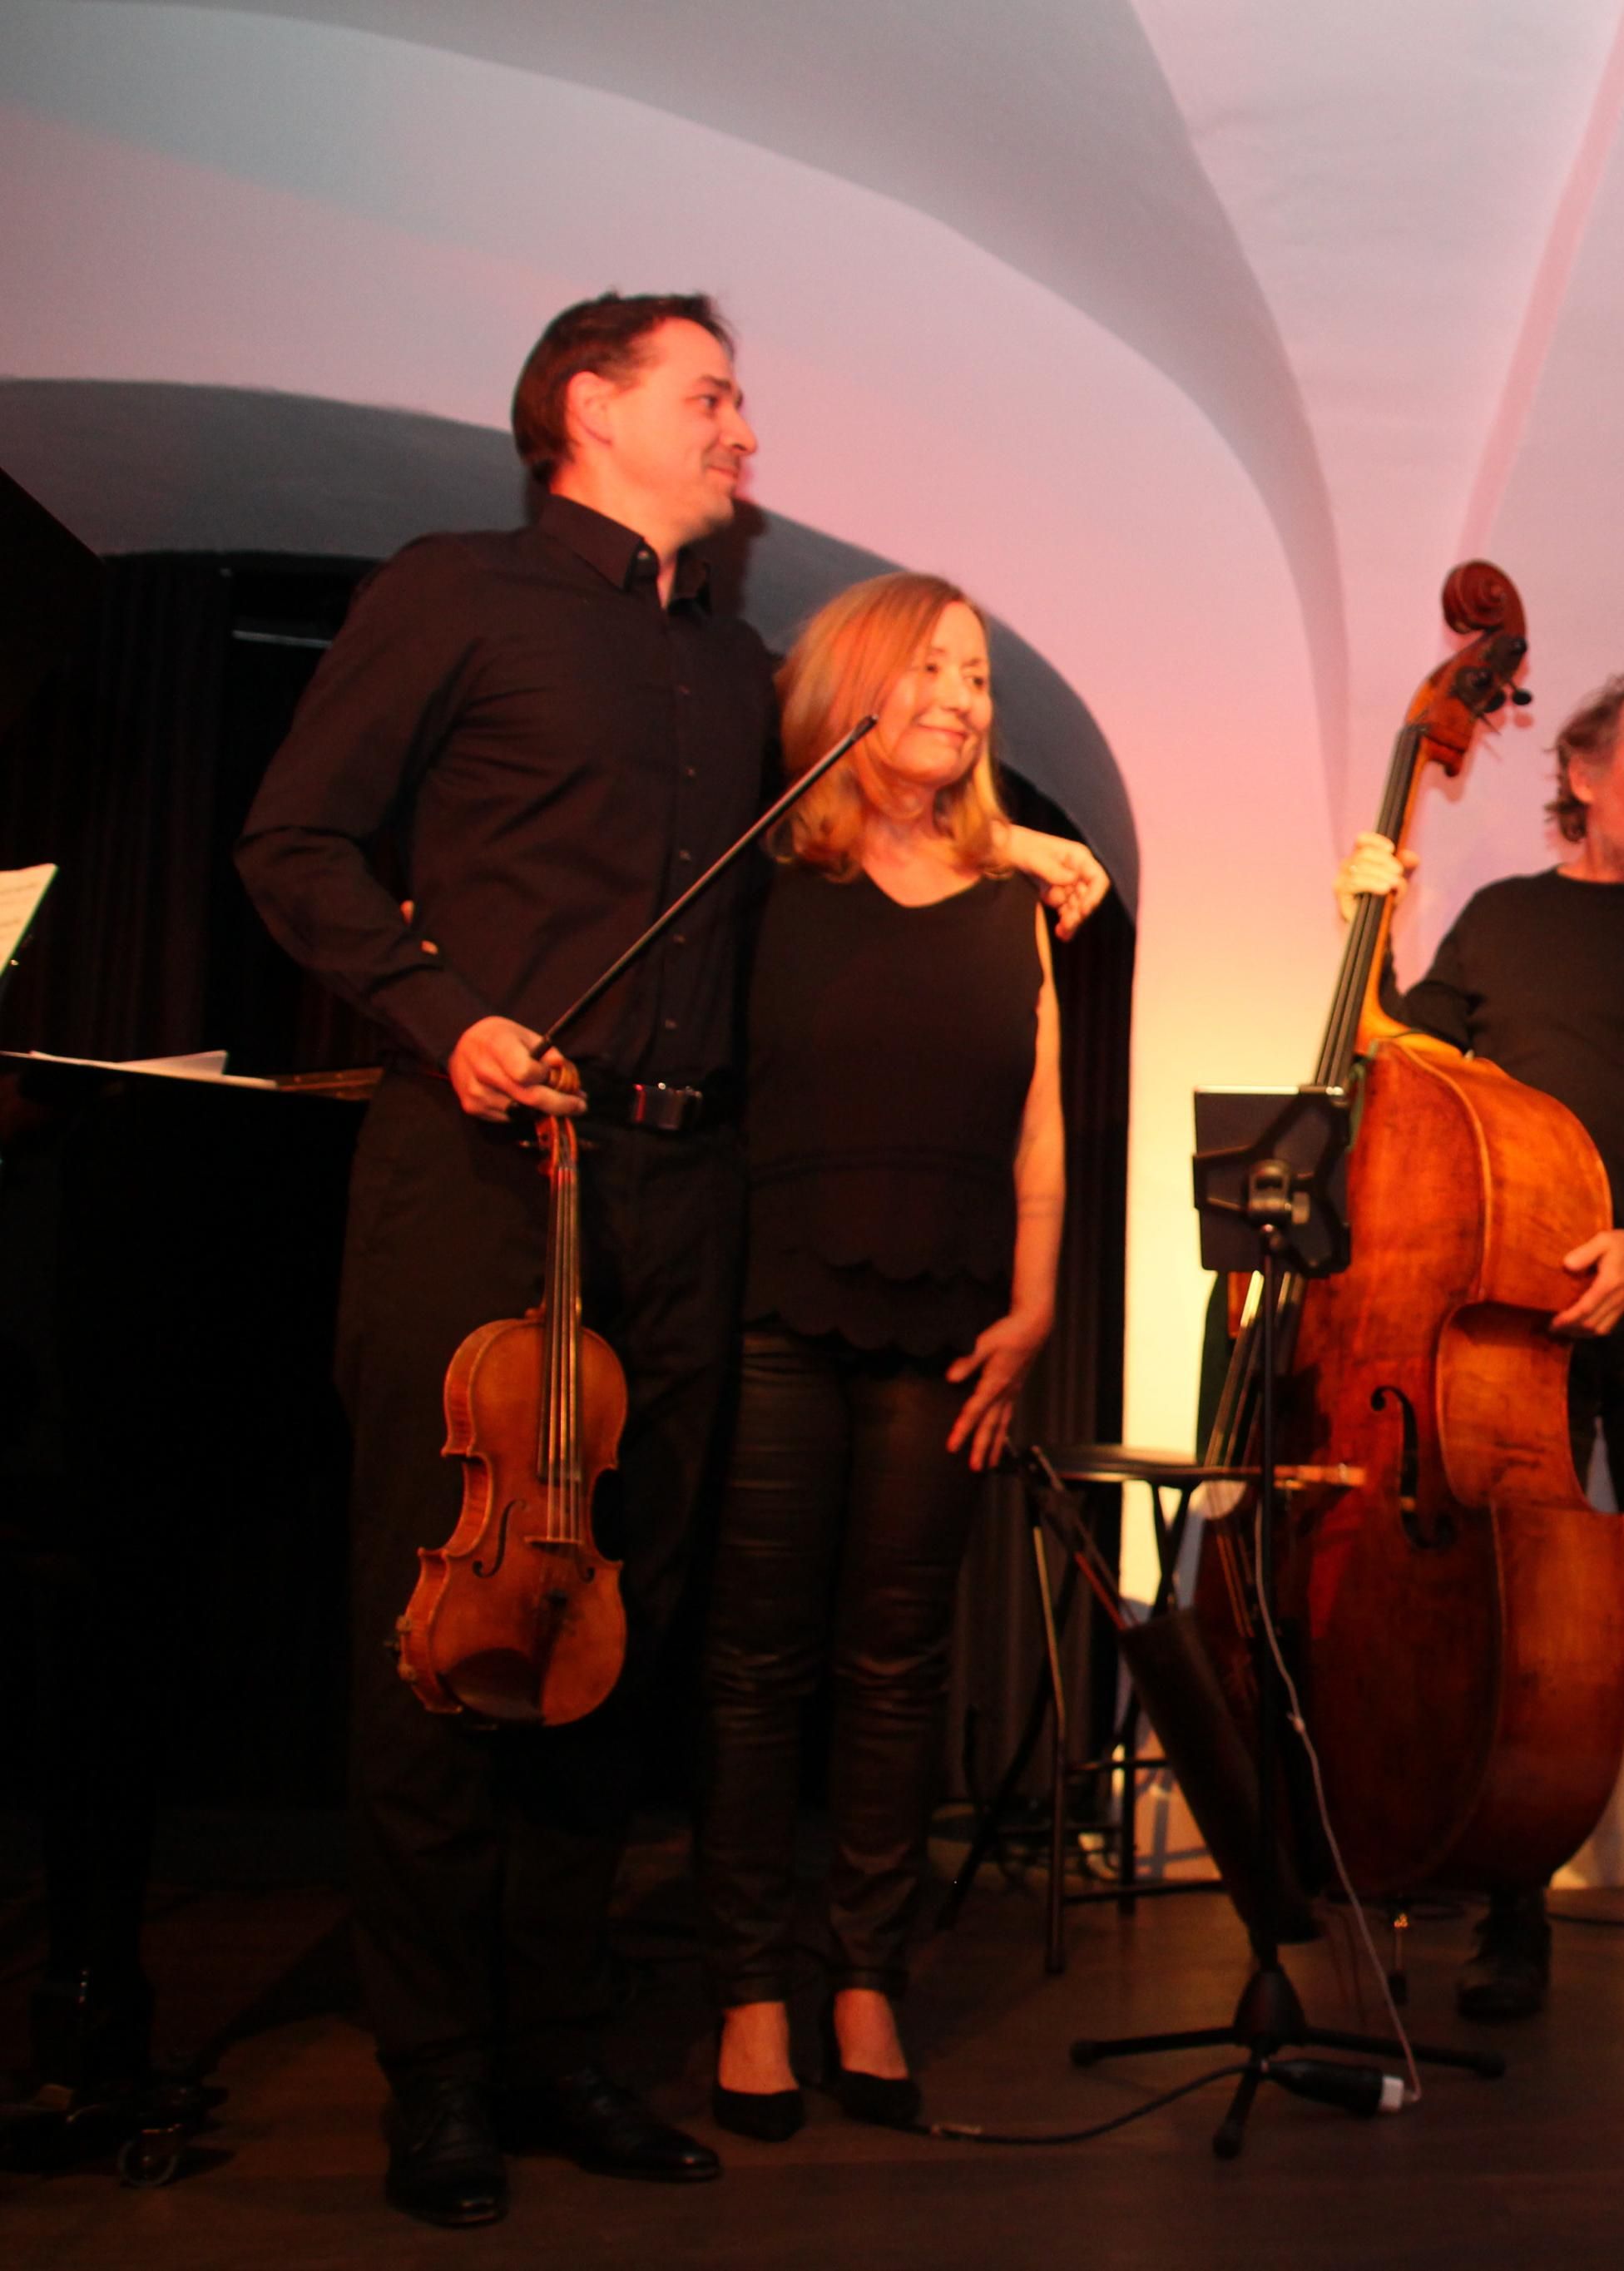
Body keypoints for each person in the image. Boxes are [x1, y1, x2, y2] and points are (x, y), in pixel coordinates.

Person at [234, 294, 1103, 2229]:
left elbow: (874, 830)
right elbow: (293, 843)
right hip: (484, 1159)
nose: (742, 430)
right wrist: (441, 1014)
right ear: (589, 405)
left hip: (689, 1194)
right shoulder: (453, 592)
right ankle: (435, 2072)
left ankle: (556, 2045)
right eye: (711, 394)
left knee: (613, 1627)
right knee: (441, 1626)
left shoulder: (740, 670)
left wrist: (1024, 853)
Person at [1333, 670, 1624, 2018]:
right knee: (1516, 1605)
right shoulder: (1503, 919)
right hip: (1517, 1324)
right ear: (1584, 775)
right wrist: (1369, 928)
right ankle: (1511, 1906)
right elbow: (1402, 1065)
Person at [695, 576, 1062, 2142]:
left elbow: (1041, 1127)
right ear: (854, 679)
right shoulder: (765, 873)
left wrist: (1032, 1311)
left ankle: (865, 1974)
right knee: (757, 1660)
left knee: (899, 1660)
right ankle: (747, 1985)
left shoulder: (1013, 904)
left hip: (953, 1316)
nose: (965, 698)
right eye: (934, 666)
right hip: (780, 1301)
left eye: (978, 676)